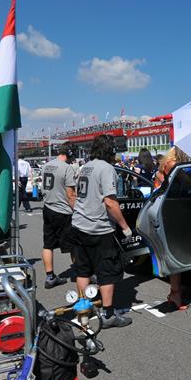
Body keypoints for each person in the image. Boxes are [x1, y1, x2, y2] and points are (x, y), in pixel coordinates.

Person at [63, 135, 133, 328]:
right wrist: (125, 227)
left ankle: (83, 307)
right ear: (110, 150)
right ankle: (108, 314)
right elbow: (109, 202)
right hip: (98, 228)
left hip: (79, 223)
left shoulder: (86, 166)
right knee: (106, 271)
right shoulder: (106, 168)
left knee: (83, 269)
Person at [153, 146, 191, 309]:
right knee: (174, 251)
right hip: (171, 210)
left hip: (166, 208)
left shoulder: (167, 164)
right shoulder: (174, 165)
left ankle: (176, 290)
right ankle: (175, 293)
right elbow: (189, 185)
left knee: (174, 251)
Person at [41, 146, 76, 289]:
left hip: (48, 207)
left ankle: (50, 277)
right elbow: (70, 194)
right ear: (68, 155)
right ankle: (80, 272)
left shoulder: (46, 166)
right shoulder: (67, 168)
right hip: (63, 210)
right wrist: (77, 210)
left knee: (48, 244)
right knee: (74, 244)